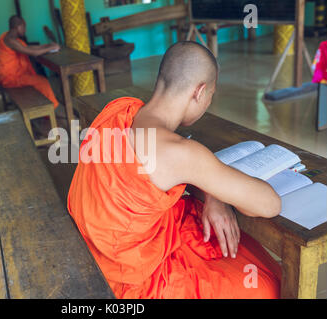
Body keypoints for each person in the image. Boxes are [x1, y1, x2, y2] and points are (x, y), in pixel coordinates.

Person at [67, 42, 282, 299]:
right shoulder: (181, 153)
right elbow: (269, 204)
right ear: (200, 92)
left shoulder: (119, 108)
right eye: (211, 94)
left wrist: (213, 194)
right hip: (131, 282)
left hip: (102, 247)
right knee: (267, 284)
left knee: (226, 237)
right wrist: (215, 185)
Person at [0, 15, 60, 108]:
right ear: (19, 27)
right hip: (9, 79)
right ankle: (52, 109)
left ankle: (45, 106)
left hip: (11, 75)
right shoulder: (10, 40)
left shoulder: (7, 36)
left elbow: (27, 48)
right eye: (24, 27)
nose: (25, 30)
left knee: (38, 80)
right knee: (43, 82)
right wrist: (51, 48)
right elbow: (33, 53)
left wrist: (47, 46)